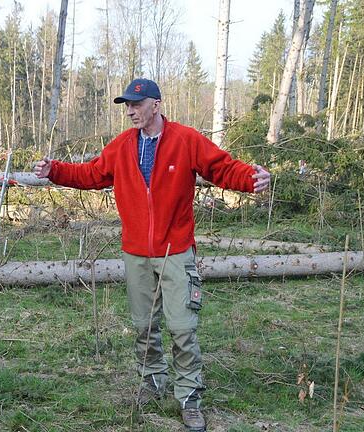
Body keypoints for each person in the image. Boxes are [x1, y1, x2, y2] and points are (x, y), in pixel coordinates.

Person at [33, 78, 270, 432]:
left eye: (137, 105)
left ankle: (189, 398)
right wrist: (55, 171)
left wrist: (251, 178)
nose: (130, 111)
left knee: (182, 328)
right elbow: (92, 173)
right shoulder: (122, 146)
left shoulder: (185, 140)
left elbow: (221, 167)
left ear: (156, 105)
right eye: (126, 105)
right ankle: (153, 382)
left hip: (175, 250)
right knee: (144, 326)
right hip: (136, 253)